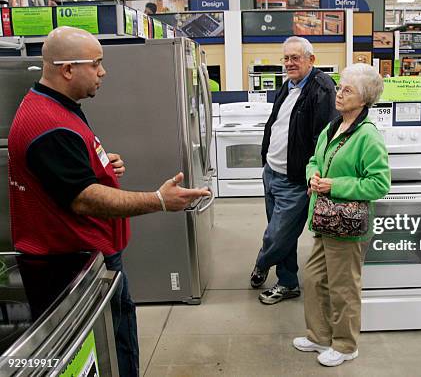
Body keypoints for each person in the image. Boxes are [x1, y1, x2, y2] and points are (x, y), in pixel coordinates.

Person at [8, 26, 210, 377]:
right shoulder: (49, 123)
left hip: (85, 255)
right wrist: (159, 200)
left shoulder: (56, 107)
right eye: (97, 64)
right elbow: (84, 199)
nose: (103, 72)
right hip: (70, 262)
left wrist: (98, 162)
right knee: (109, 350)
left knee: (115, 340)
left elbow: (66, 172)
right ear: (67, 69)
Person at [293, 63, 391, 367]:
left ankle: (346, 345)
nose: (339, 92)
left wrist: (334, 185)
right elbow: (314, 159)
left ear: (363, 99)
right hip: (324, 220)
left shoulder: (368, 137)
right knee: (312, 278)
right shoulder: (333, 126)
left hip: (347, 226)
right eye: (340, 86)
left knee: (343, 287)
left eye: (347, 89)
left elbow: (379, 184)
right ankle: (319, 336)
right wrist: (313, 176)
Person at [251, 36, 337, 305]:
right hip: (272, 172)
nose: (289, 63)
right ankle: (288, 282)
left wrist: (315, 173)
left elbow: (324, 136)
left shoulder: (321, 88)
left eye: (295, 58)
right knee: (282, 234)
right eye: (286, 58)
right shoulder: (288, 85)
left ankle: (263, 261)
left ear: (311, 60)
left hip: (296, 179)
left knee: (278, 234)